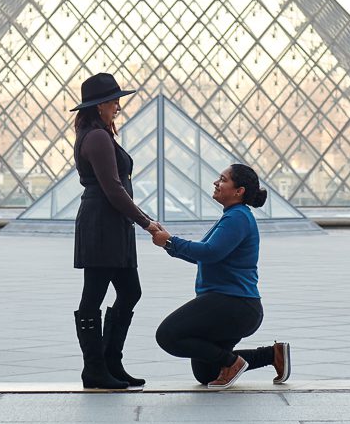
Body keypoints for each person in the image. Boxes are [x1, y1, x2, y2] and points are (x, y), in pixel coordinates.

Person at [152, 164, 290, 390]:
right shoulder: (234, 216)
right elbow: (206, 256)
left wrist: (170, 241)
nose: (216, 183)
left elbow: (210, 252)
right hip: (236, 305)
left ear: (239, 191)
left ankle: (232, 363)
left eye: (223, 179)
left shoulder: (237, 218)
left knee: (168, 335)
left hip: (233, 304)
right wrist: (169, 244)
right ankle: (272, 355)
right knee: (206, 373)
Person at [69, 72, 159, 390]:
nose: (118, 106)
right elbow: (114, 188)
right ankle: (95, 369)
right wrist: (146, 222)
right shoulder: (96, 137)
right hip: (102, 226)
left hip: (111, 225)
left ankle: (110, 362)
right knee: (93, 297)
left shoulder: (99, 134)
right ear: (100, 105)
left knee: (129, 291)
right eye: (115, 100)